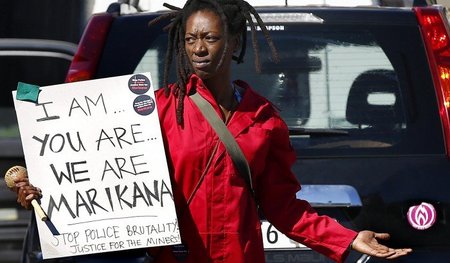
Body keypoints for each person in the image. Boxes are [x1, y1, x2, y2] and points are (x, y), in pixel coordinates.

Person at [15, 0, 412, 262]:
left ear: (234, 41)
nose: (198, 48)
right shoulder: (158, 111)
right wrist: (43, 185)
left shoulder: (263, 118)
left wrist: (345, 238)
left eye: (209, 37)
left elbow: (283, 207)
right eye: (190, 39)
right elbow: (93, 167)